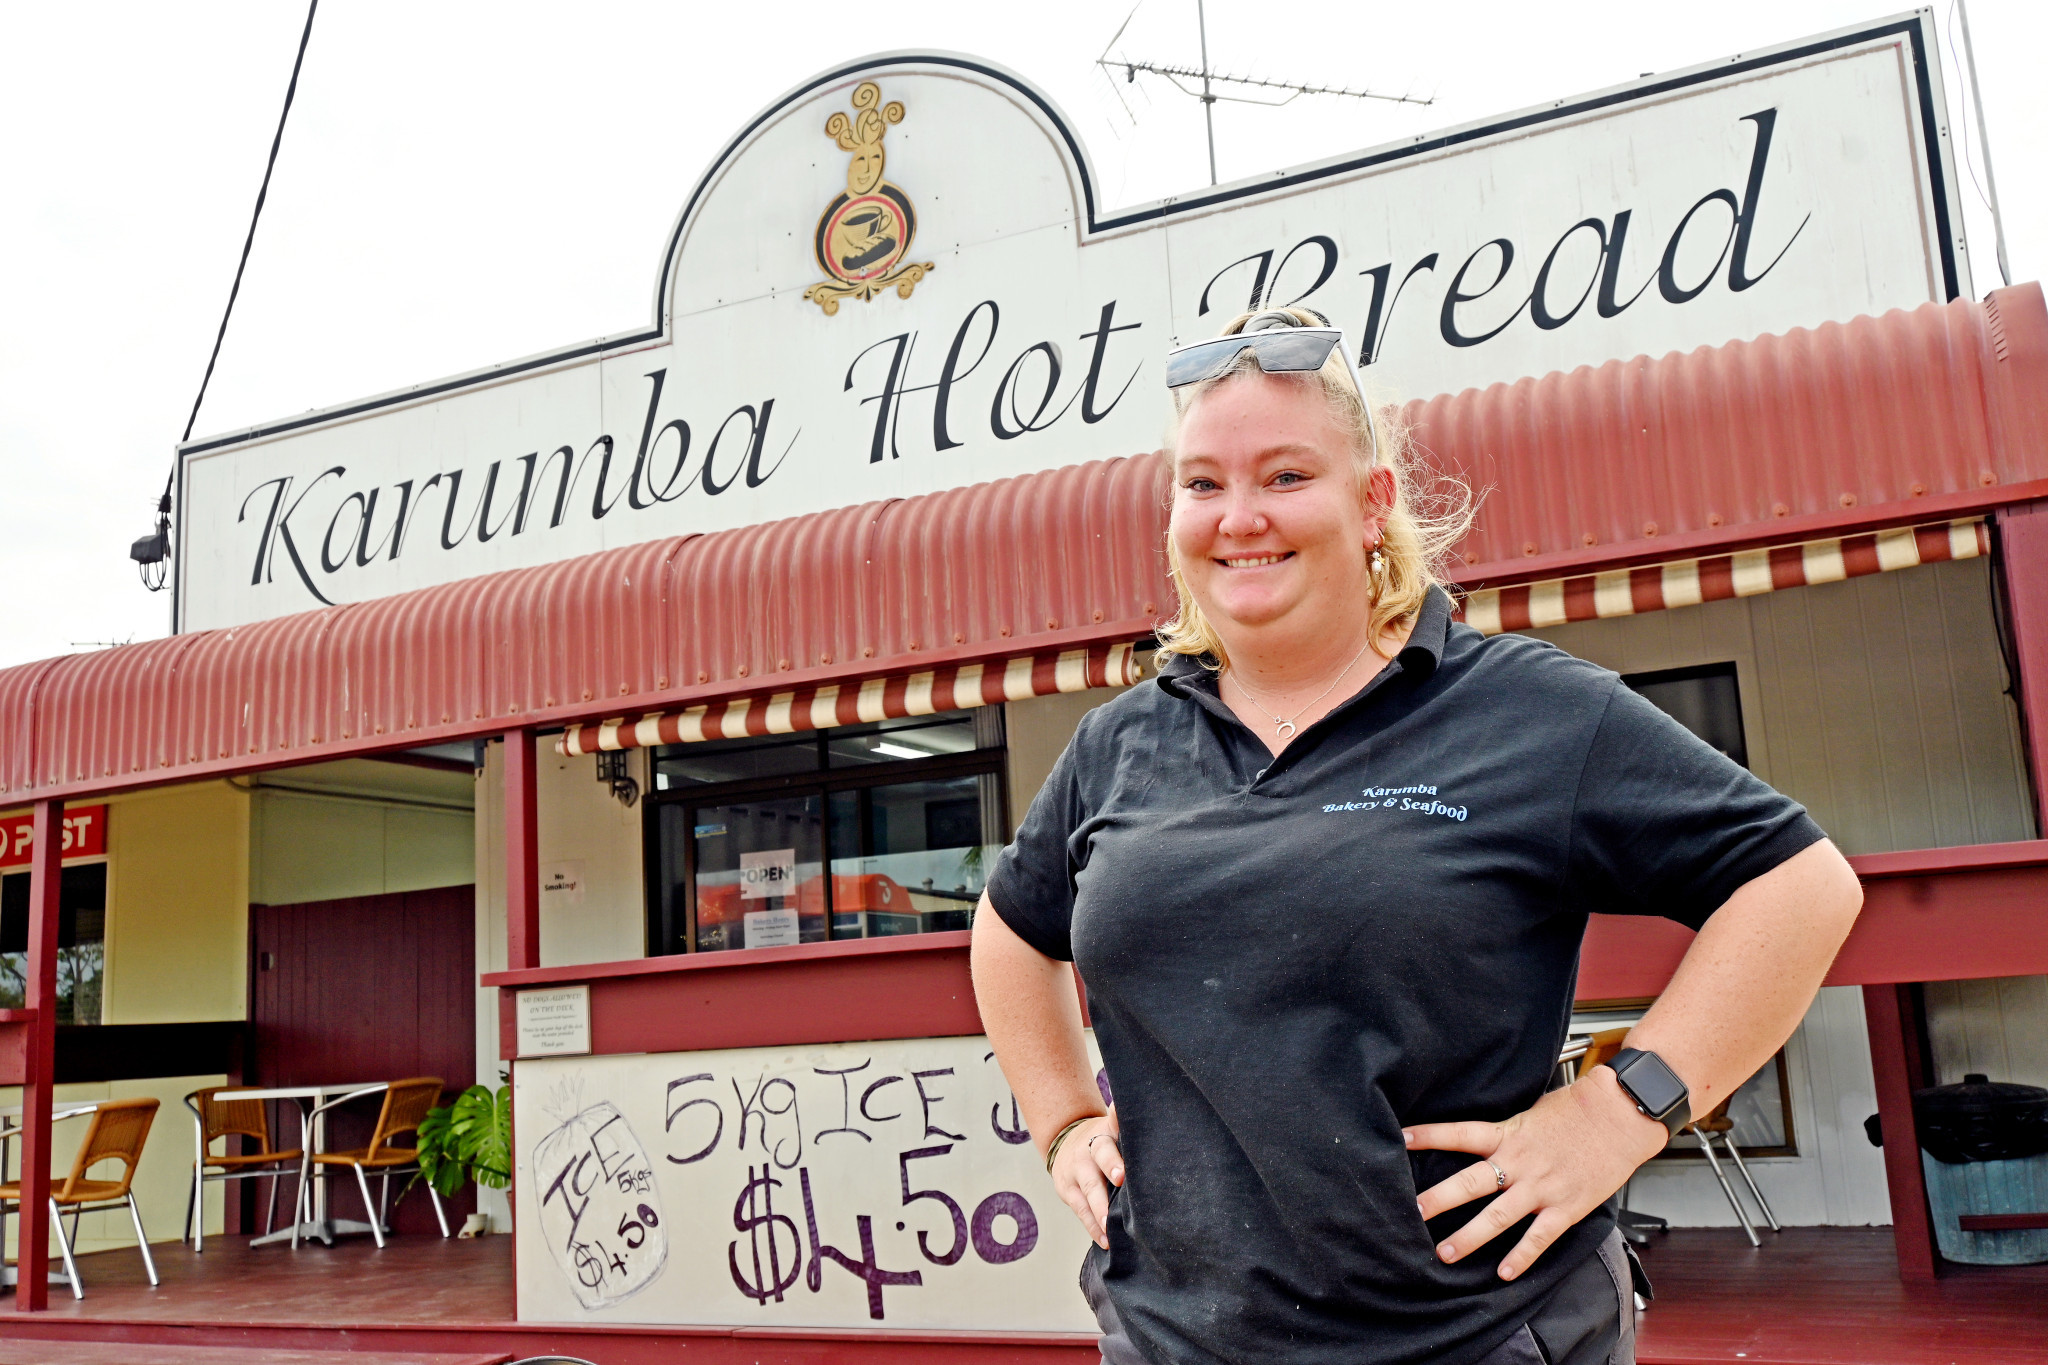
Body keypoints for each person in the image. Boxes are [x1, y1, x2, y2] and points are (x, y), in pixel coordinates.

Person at [969, 308, 1864, 1365]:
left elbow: (1799, 886)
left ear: (1372, 504)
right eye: (1202, 484)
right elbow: (1013, 925)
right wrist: (1065, 1119)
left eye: (1285, 477)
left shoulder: (1525, 712)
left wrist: (1621, 1112)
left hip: (1471, 1335)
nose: (1237, 516)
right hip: (1174, 1337)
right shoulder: (1120, 744)